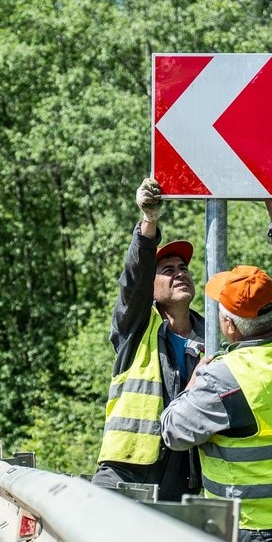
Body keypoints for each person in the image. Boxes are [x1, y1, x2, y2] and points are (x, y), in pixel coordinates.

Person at [160, 198, 272, 542]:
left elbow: (173, 431)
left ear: (230, 327)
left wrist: (192, 384)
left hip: (256, 531)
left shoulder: (223, 379)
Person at [92, 177, 205, 502]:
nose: (179, 272)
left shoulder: (211, 336)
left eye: (183, 267)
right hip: (125, 474)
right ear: (152, 287)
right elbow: (134, 281)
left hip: (183, 478)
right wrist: (149, 222)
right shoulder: (136, 326)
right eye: (167, 269)